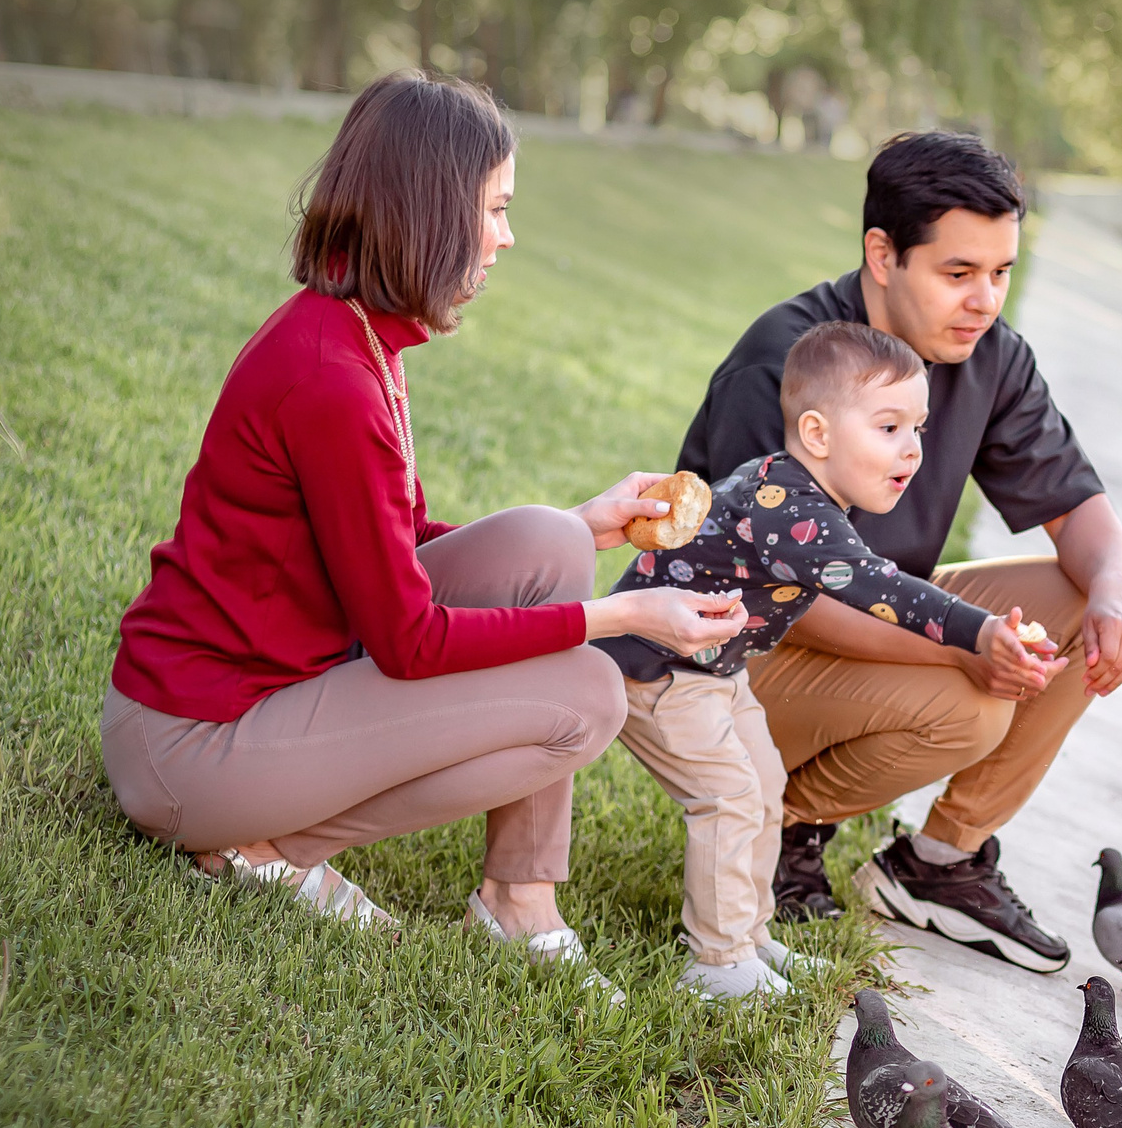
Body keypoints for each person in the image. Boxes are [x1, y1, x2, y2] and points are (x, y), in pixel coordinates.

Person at [102, 71, 743, 973]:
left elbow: (384, 542)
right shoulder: (330, 375)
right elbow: (407, 640)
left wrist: (588, 525)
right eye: (495, 208)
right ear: (432, 211)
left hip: (266, 688)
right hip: (192, 745)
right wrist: (625, 617)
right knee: (587, 696)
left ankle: (520, 896)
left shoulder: (356, 334)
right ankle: (269, 846)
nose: (507, 236)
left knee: (548, 540)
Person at [675, 131, 1122, 971]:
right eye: (959, 273)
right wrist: (967, 644)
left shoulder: (989, 355)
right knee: (972, 703)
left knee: (1080, 602)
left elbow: (1079, 507)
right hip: (729, 659)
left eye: (1002, 273)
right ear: (883, 254)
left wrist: (1116, 594)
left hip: (878, 610)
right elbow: (805, 601)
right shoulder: (784, 362)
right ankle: (787, 821)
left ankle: (939, 861)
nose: (985, 300)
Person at [603, 321, 1057, 997]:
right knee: (729, 796)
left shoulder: (801, 493)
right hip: (658, 666)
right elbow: (878, 586)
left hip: (714, 669)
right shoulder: (790, 507)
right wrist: (979, 628)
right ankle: (718, 961)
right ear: (817, 434)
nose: (912, 449)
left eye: (919, 429)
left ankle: (749, 934)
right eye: (888, 427)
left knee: (762, 786)